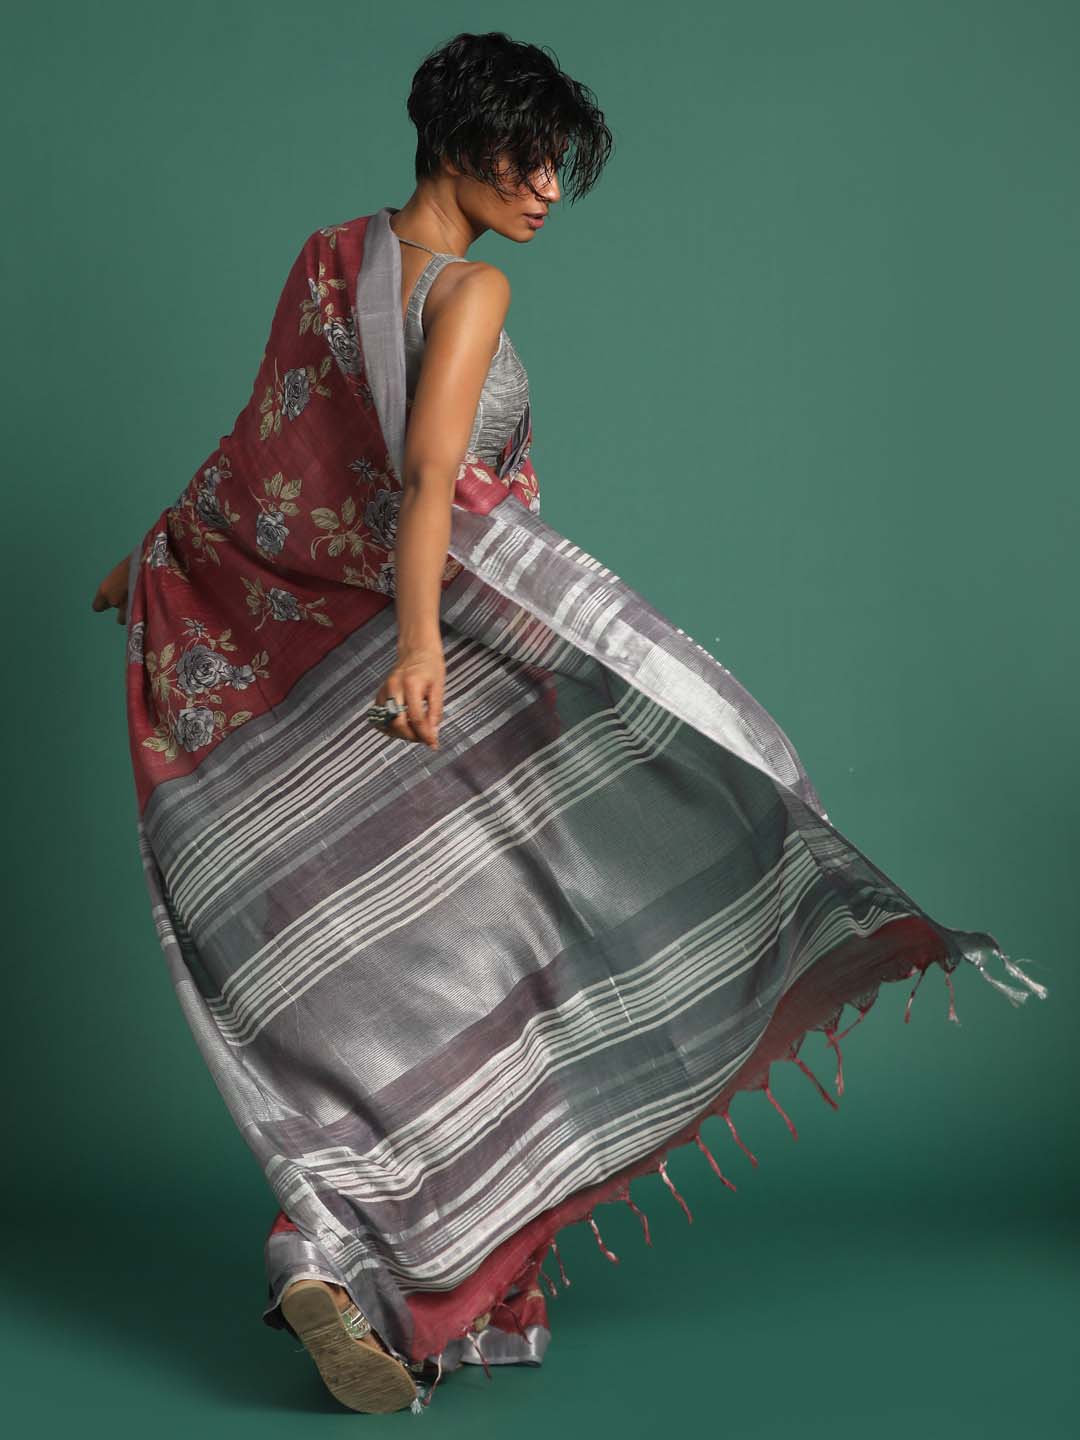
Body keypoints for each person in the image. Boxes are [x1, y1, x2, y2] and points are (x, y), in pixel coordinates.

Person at [92, 30, 1045, 1417]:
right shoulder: (470, 290)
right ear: (460, 143)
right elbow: (425, 477)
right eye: (529, 160)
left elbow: (263, 453)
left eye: (558, 168)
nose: (546, 190)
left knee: (407, 980)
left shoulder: (329, 262)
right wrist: (422, 645)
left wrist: (162, 557)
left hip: (333, 688)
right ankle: (375, 1261)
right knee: (547, 953)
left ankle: (339, 1249)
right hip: (454, 674)